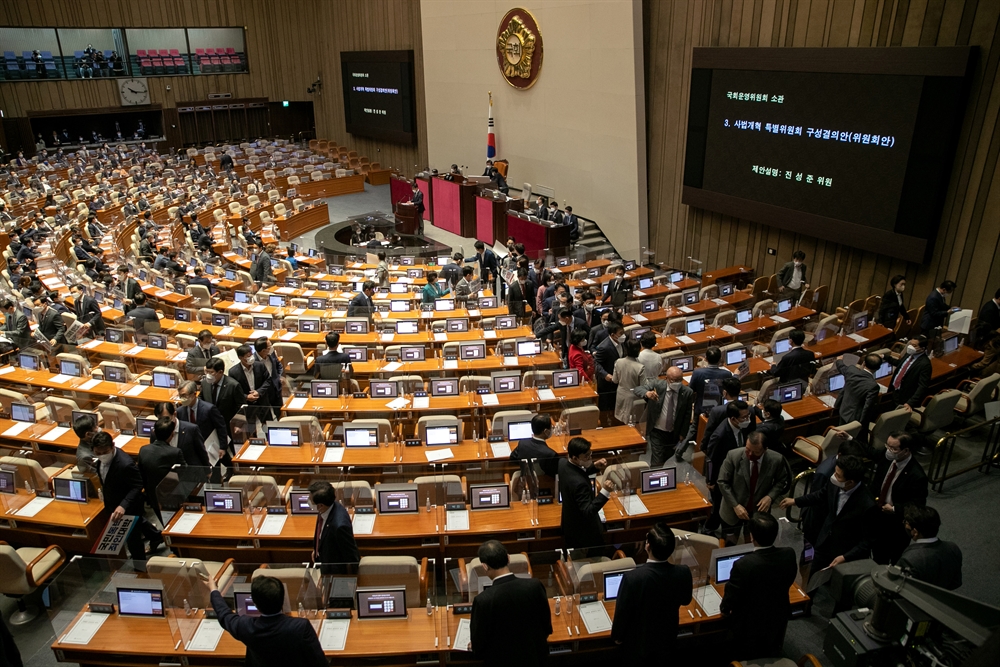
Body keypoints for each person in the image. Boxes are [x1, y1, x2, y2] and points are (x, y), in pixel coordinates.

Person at [719, 513, 798, 659]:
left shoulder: (743, 564)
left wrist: (724, 610)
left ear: (752, 537)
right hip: (778, 615)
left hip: (748, 624)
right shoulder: (789, 554)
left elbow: (732, 594)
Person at [611, 523, 692, 661]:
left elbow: (622, 613)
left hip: (638, 647)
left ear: (647, 546)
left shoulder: (633, 578)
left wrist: (617, 638)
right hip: (667, 642)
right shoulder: (683, 572)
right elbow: (686, 600)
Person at [779, 454, 878, 568]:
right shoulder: (834, 484)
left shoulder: (868, 505)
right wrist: (796, 501)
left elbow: (868, 540)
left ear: (850, 482)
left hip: (844, 553)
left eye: (838, 475)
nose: (833, 476)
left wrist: (846, 557)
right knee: (815, 576)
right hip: (824, 541)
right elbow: (820, 495)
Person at [206, 574, 326, 667]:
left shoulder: (246, 627)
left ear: (256, 605)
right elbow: (319, 662)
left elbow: (224, 615)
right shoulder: (300, 627)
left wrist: (214, 590)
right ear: (282, 599)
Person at [469, 540, 552, 667]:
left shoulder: (483, 600)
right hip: (536, 659)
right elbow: (546, 627)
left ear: (485, 566)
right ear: (508, 559)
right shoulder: (535, 586)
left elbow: (478, 646)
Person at [90, 431, 161, 562]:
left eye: (104, 452)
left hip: (129, 506)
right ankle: (156, 535)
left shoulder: (125, 464)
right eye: (98, 453)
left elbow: (138, 485)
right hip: (113, 502)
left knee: (133, 541)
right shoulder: (100, 460)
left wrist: (123, 505)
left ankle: (140, 568)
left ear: (112, 446)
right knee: (138, 522)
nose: (101, 456)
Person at [717, 431, 789, 545]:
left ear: (765, 449)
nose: (750, 454)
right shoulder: (733, 455)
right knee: (728, 544)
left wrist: (770, 497)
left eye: (756, 452)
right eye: (747, 449)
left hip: (758, 511)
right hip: (732, 509)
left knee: (752, 544)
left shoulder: (776, 460)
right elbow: (722, 482)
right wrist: (735, 505)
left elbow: (781, 481)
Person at [869, 432, 928, 564]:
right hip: (878, 513)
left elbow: (917, 505)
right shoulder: (888, 457)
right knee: (877, 552)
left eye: (893, 449)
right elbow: (872, 453)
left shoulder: (917, 476)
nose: (889, 451)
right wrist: (850, 438)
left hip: (896, 523)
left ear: (906, 450)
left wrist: (895, 509)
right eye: (887, 446)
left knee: (894, 556)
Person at [631, 365, 695, 466]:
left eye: (680, 380)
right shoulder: (657, 385)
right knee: (657, 459)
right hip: (657, 430)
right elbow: (637, 389)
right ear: (667, 379)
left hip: (674, 433)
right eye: (674, 380)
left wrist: (683, 433)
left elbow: (687, 414)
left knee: (667, 456)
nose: (678, 383)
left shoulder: (687, 392)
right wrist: (647, 393)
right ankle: (654, 476)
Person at [558, 437, 613, 549]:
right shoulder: (580, 485)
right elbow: (588, 511)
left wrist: (594, 467)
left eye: (590, 454)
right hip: (583, 532)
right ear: (575, 457)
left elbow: (577, 472)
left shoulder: (562, 463)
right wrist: (605, 492)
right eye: (586, 456)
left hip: (569, 522)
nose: (590, 458)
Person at [705, 400, 751, 532]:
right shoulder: (720, 435)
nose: (748, 419)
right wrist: (711, 481)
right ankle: (710, 529)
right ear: (733, 419)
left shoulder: (744, 424)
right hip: (722, 476)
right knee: (719, 505)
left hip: (739, 473)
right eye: (744, 417)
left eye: (748, 416)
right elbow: (711, 459)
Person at [897, 505, 963, 590]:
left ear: (915, 532)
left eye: (906, 524)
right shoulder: (953, 548)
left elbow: (900, 589)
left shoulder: (909, 559)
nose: (905, 525)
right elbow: (956, 582)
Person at [138, 417, 187, 524]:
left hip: (153, 496)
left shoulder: (143, 450)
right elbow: (184, 473)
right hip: (173, 497)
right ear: (172, 434)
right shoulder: (175, 452)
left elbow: (141, 475)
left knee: (165, 524)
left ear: (154, 432)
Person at [307, 481, 360, 574]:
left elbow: (351, 556)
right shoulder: (327, 508)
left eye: (310, 499)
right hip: (324, 560)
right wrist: (317, 550)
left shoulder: (339, 526)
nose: (308, 500)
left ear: (320, 506)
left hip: (335, 571)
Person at [177, 381, 229, 470]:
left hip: (209, 448)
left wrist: (223, 447)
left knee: (214, 477)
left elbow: (221, 427)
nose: (182, 399)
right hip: (191, 451)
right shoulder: (180, 411)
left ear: (194, 394)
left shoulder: (209, 409)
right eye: (180, 396)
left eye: (184, 395)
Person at [834, 353, 882, 438]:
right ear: (878, 368)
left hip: (843, 410)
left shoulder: (851, 370)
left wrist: (839, 360)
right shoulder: (873, 386)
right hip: (855, 417)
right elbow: (868, 407)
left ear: (863, 363)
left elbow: (841, 367)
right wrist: (861, 424)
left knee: (840, 435)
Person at [151, 402, 210, 469]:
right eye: (160, 419)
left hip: (190, 472)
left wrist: (207, 470)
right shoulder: (155, 432)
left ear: (174, 414)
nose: (163, 422)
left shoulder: (191, 429)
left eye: (167, 418)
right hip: (167, 474)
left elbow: (202, 452)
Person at [228, 345, 271, 434]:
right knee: (250, 431)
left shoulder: (260, 365)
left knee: (268, 428)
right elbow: (234, 390)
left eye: (251, 354)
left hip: (262, 402)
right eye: (248, 356)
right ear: (240, 358)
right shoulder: (233, 372)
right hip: (247, 406)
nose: (251, 357)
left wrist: (259, 392)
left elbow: (268, 380)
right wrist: (246, 397)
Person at [201, 357, 247, 435]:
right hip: (210, 424)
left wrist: (239, 424)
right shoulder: (204, 383)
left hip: (228, 425)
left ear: (220, 372)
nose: (208, 375)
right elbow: (201, 399)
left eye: (211, 372)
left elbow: (242, 407)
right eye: (207, 372)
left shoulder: (233, 385)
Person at [888, 336, 932, 409]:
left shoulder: (925, 364)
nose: (910, 347)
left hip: (904, 397)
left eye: (914, 345)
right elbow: (900, 364)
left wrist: (910, 403)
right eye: (910, 344)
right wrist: (886, 357)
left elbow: (922, 386)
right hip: (894, 389)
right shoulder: (909, 354)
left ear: (922, 348)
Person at [689, 345, 733, 416]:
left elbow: (691, 390)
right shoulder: (727, 374)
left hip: (701, 410)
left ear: (705, 359)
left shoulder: (697, 373)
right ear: (720, 359)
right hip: (719, 410)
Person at [594, 321, 624, 426]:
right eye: (620, 333)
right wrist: (605, 374)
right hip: (606, 384)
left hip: (620, 380)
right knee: (605, 407)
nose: (623, 335)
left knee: (616, 405)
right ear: (612, 335)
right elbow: (596, 363)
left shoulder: (623, 342)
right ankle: (605, 424)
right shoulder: (604, 347)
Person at [611, 339, 645, 424]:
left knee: (620, 421)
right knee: (633, 423)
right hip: (634, 398)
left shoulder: (618, 362)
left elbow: (614, 380)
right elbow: (643, 386)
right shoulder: (640, 367)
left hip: (621, 395)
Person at [253, 337, 283, 423]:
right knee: (266, 419)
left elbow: (278, 366)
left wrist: (278, 377)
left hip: (276, 388)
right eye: (270, 346)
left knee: (280, 414)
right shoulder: (253, 362)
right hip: (263, 392)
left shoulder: (272, 354)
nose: (272, 348)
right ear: (263, 350)